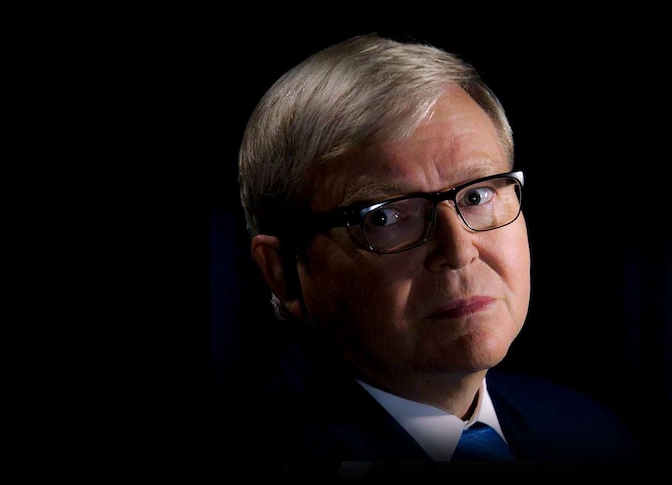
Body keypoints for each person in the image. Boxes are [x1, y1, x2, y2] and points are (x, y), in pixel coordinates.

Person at [224, 32, 648, 479]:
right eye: (386, 217)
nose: (459, 251)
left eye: (478, 195)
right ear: (284, 273)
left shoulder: (587, 432)